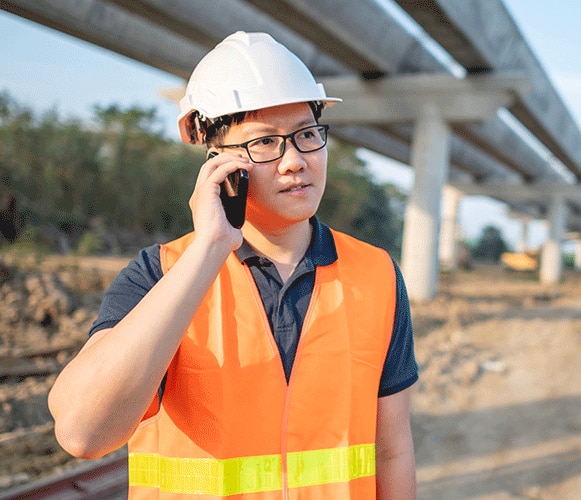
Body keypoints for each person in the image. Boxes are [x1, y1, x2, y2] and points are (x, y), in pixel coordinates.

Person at [48, 31, 418, 499]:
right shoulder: (162, 273)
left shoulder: (376, 275)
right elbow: (84, 433)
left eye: (307, 135)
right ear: (218, 164)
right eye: (265, 143)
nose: (295, 161)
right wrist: (209, 249)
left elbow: (393, 451)